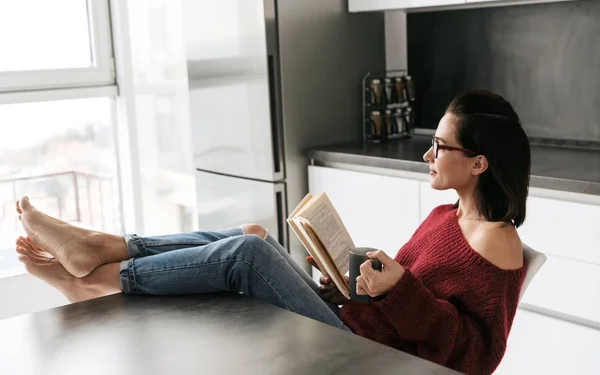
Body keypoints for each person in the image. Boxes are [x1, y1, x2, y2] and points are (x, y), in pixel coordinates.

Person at [15, 90, 530, 375]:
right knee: (254, 234)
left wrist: (399, 289)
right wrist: (346, 281)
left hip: (366, 352)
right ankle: (102, 250)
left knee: (247, 255)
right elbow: (404, 296)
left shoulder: (497, 244)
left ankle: (95, 278)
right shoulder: (447, 217)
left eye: (441, 146)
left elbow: (475, 358)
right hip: (355, 319)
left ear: (480, 162)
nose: (428, 155)